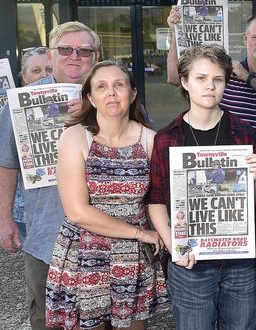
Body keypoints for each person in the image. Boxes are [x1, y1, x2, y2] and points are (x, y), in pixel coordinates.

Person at [166, 12, 256, 329]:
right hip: (226, 172)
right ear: (245, 38)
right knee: (225, 235)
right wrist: (175, 31)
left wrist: (247, 78)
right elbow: (176, 76)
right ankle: (226, 297)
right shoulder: (226, 71)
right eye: (255, 36)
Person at [147, 45, 256, 330]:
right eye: (201, 78)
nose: (210, 86)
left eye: (218, 79)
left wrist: (252, 180)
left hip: (239, 260)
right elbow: (155, 200)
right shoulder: (167, 139)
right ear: (185, 82)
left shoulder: (245, 133)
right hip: (191, 262)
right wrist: (174, 246)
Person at [45, 60, 169, 329]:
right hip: (86, 252)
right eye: (101, 86)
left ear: (133, 93)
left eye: (119, 85)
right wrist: (140, 233)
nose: (111, 93)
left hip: (134, 256)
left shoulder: (151, 140)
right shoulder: (75, 138)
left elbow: (164, 197)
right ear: (90, 96)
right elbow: (77, 211)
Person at [0, 21, 100, 330]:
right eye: (65, 49)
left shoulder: (115, 96)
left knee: (101, 318)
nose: (75, 56)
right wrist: (4, 218)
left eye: (84, 50)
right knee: (46, 318)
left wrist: (94, 111)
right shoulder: (21, 102)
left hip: (105, 233)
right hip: (46, 235)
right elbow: (6, 163)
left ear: (96, 57)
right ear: (51, 54)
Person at [12, 47, 53, 243]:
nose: (44, 75)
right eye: (36, 71)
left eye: (49, 70)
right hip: (27, 211)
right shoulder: (12, 110)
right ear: (24, 77)